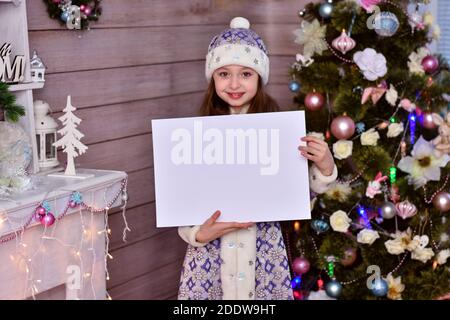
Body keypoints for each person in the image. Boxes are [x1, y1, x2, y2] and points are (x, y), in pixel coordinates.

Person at [177, 17, 337, 300]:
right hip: (209, 260)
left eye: (246, 74)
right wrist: (200, 235)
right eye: (223, 73)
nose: (234, 83)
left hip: (264, 255)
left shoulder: (279, 129)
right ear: (212, 78)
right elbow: (183, 203)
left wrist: (324, 166)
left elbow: (297, 192)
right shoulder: (195, 134)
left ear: (259, 77)